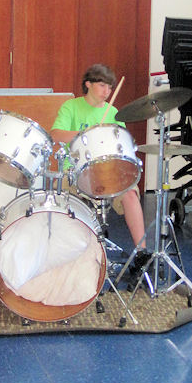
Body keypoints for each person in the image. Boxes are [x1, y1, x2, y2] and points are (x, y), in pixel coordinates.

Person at [51, 64, 149, 269]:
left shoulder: (113, 112)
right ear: (88, 84)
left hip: (109, 170)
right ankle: (72, 255)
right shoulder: (71, 107)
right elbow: (56, 134)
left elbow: (122, 145)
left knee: (130, 193)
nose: (107, 92)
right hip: (75, 169)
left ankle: (142, 253)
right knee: (67, 200)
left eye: (110, 87)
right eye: (102, 85)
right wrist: (86, 133)